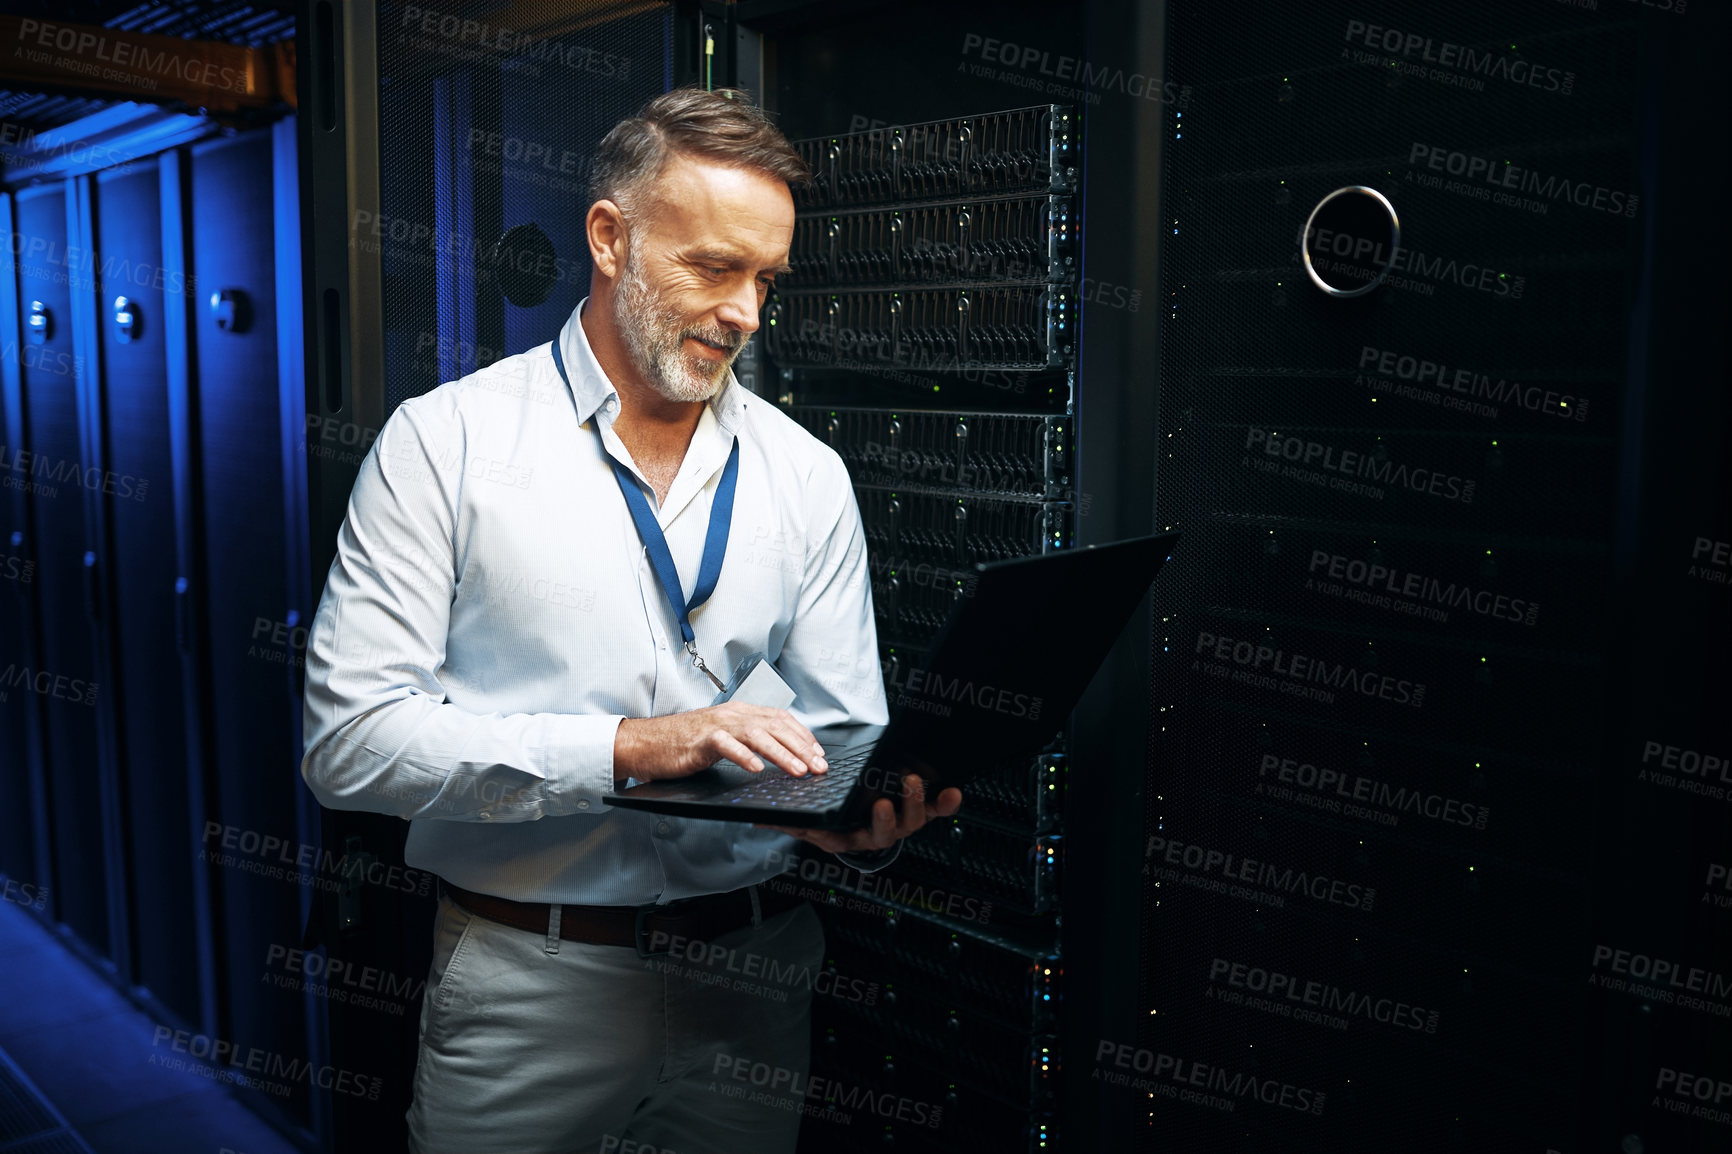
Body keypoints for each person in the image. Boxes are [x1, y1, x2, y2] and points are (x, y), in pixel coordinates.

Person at [299, 86, 962, 1154]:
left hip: (753, 972)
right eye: (712, 267)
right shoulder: (444, 445)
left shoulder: (807, 474)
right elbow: (348, 744)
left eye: (765, 279)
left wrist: (850, 820)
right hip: (529, 983)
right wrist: (627, 749)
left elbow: (844, 729)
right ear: (609, 237)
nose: (745, 311)